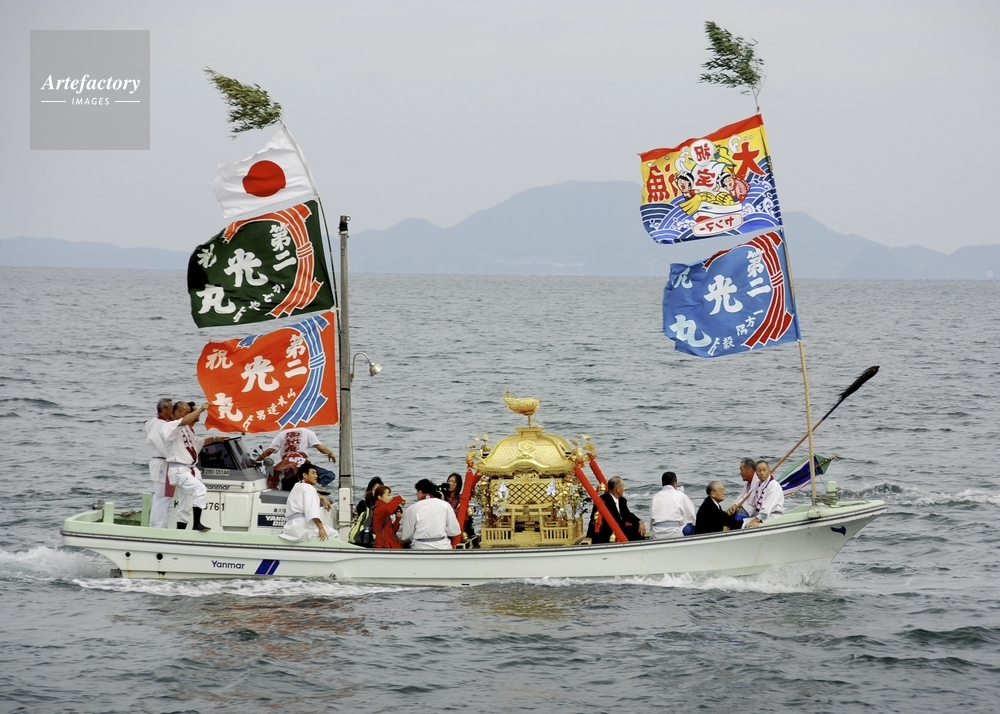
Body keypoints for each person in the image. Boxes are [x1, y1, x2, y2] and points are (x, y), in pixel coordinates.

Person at [163, 401, 224, 532]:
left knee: (185, 504)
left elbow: (197, 442)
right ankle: (196, 524)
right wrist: (201, 409)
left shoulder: (187, 429)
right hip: (179, 469)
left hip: (188, 469)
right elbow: (184, 421)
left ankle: (180, 532)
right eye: (186, 412)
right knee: (200, 490)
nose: (189, 414)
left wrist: (215, 439)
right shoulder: (170, 426)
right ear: (177, 412)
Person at [255, 427, 337, 490]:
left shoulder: (282, 434)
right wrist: (330, 453)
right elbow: (319, 447)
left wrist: (256, 461)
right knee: (329, 475)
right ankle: (315, 487)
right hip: (302, 462)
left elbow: (270, 450)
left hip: (285, 464)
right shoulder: (307, 432)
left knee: (286, 484)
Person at [398, 478, 461, 550]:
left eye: (417, 492)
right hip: (442, 546)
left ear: (420, 492)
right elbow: (454, 531)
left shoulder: (412, 508)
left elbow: (406, 535)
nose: (416, 494)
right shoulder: (445, 505)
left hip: (420, 547)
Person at [280, 463, 336, 542]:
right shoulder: (309, 488)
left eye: (316, 473)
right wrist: (321, 528)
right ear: (305, 475)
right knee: (334, 534)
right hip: (303, 527)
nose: (316, 476)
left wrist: (321, 497)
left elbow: (303, 498)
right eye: (313, 473)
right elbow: (312, 512)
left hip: (291, 526)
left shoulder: (297, 486)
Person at [587, 476, 646, 543]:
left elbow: (627, 515)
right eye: (623, 488)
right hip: (607, 532)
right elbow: (593, 520)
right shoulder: (602, 501)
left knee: (637, 528)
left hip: (620, 528)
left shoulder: (622, 500)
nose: (624, 490)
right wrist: (589, 536)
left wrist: (640, 521)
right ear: (618, 490)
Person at [144, 397, 174, 528]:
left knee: (160, 496)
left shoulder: (159, 422)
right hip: (161, 462)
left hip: (163, 462)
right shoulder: (157, 424)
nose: (172, 411)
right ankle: (160, 525)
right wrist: (174, 457)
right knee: (163, 495)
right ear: (163, 409)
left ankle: (155, 523)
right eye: (171, 408)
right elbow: (161, 445)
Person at [648, 471, 696, 539]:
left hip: (657, 534)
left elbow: (651, 520)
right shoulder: (681, 495)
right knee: (692, 525)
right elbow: (692, 517)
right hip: (675, 533)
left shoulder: (655, 497)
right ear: (675, 483)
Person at [744, 460, 785, 528]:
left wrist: (756, 519)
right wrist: (737, 506)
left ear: (769, 471)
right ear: (756, 473)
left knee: (750, 526)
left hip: (772, 516)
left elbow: (767, 507)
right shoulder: (758, 484)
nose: (762, 473)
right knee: (742, 521)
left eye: (764, 470)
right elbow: (749, 500)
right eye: (759, 471)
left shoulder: (774, 485)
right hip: (761, 516)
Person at [442, 472, 477, 545]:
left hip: (456, 527)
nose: (450, 483)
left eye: (453, 482)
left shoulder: (461, 500)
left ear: (458, 485)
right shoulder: (442, 497)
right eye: (449, 481)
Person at [371, 484, 406, 549]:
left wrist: (397, 521)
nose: (391, 497)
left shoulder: (382, 509)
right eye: (388, 495)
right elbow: (388, 509)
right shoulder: (379, 509)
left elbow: (391, 532)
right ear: (380, 497)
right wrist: (399, 498)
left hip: (389, 544)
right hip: (384, 546)